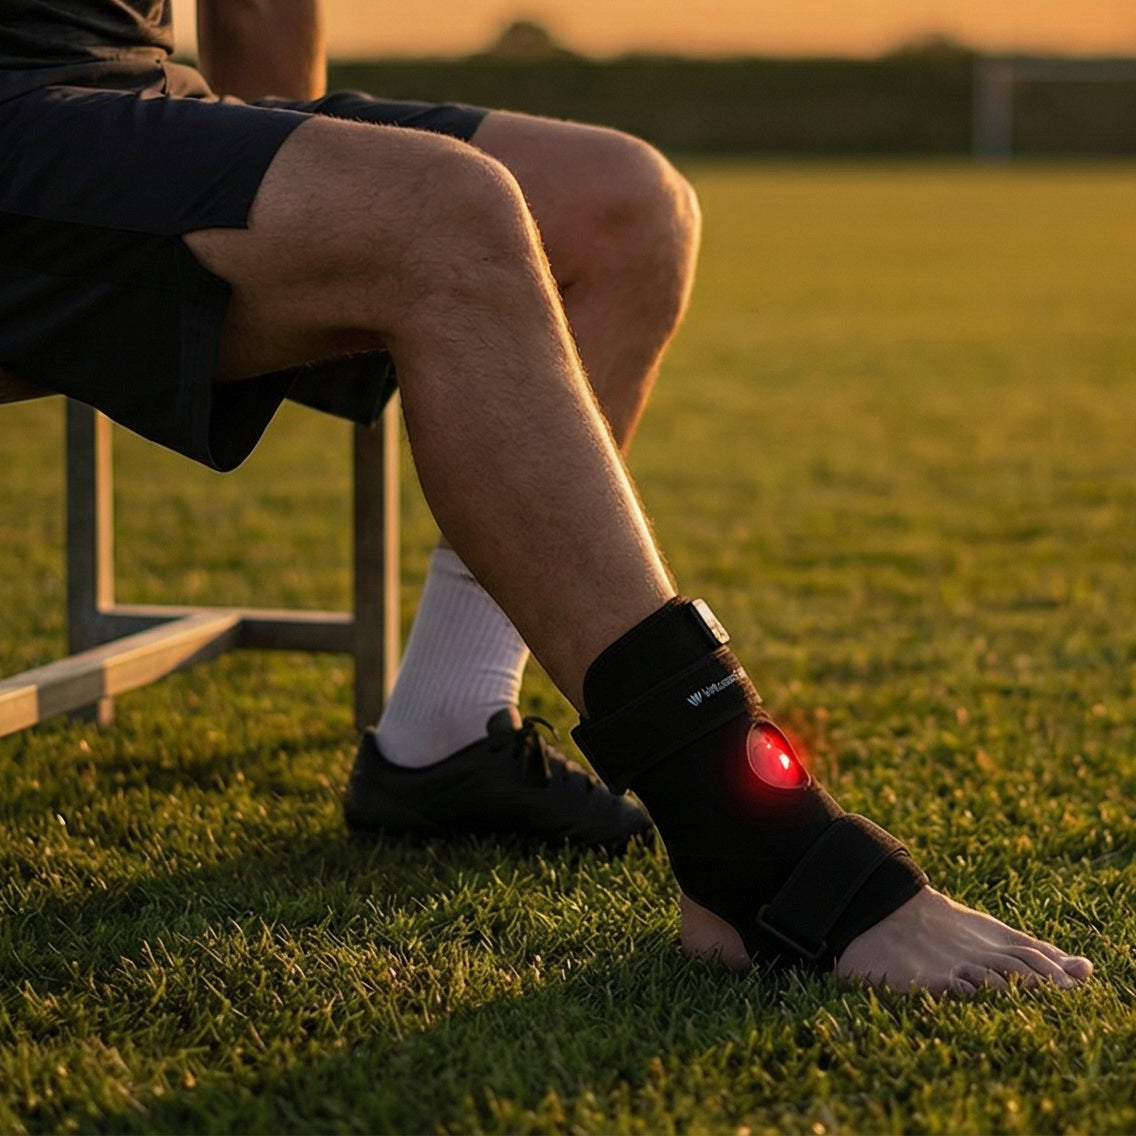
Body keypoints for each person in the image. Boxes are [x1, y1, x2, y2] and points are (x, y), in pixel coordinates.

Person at [0, 0, 1094, 994]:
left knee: (625, 206)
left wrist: (274, 163)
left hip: (132, 94)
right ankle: (745, 840)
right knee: (441, 205)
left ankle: (441, 732)